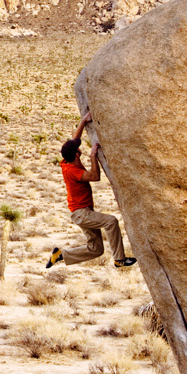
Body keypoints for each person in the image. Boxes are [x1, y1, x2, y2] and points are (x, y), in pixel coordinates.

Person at [47, 111, 136, 269]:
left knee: (96, 250)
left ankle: (61, 255)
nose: (79, 149)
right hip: (81, 213)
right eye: (78, 151)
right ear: (75, 155)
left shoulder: (67, 160)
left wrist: (83, 121)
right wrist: (93, 157)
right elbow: (95, 177)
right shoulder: (72, 171)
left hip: (82, 211)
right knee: (111, 222)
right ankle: (119, 260)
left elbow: (76, 139)